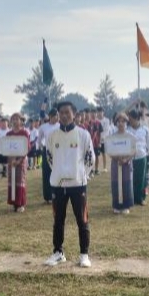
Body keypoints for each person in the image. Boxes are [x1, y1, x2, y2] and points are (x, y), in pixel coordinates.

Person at [44, 101, 95, 268]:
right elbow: (49, 157)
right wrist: (59, 172)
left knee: (82, 219)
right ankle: (58, 253)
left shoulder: (83, 134)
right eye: (61, 112)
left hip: (78, 184)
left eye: (67, 112)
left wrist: (80, 174)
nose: (64, 115)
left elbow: (90, 158)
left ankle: (84, 254)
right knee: (58, 220)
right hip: (57, 185)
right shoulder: (52, 135)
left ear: (74, 114)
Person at [109, 113, 135, 214]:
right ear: (116, 123)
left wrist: (126, 159)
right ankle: (116, 205)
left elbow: (133, 151)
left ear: (126, 123)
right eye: (119, 121)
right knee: (116, 183)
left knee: (126, 182)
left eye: (123, 121)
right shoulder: (113, 136)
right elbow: (110, 151)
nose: (121, 123)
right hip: (116, 164)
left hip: (126, 164)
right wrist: (117, 158)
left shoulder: (130, 136)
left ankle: (126, 206)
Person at [6, 113, 30, 212]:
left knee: (20, 181)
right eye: (13, 119)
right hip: (11, 160)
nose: (15, 121)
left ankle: (20, 204)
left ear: (21, 121)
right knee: (12, 181)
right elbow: (6, 147)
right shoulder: (8, 134)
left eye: (17, 119)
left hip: (21, 160)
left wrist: (19, 160)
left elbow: (27, 148)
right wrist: (11, 160)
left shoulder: (24, 133)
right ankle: (14, 203)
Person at [128, 110, 149, 206]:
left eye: (131, 119)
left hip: (141, 157)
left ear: (137, 119)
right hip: (129, 158)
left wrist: (145, 152)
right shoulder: (127, 129)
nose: (130, 121)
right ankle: (132, 198)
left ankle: (141, 198)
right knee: (131, 178)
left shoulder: (145, 129)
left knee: (142, 179)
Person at [38, 109, 60, 204]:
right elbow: (39, 140)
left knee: (57, 173)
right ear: (50, 116)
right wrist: (43, 147)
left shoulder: (60, 126)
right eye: (56, 116)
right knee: (47, 173)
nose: (58, 118)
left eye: (58, 116)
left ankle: (57, 194)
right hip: (47, 151)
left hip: (58, 151)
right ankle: (48, 196)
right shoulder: (43, 127)